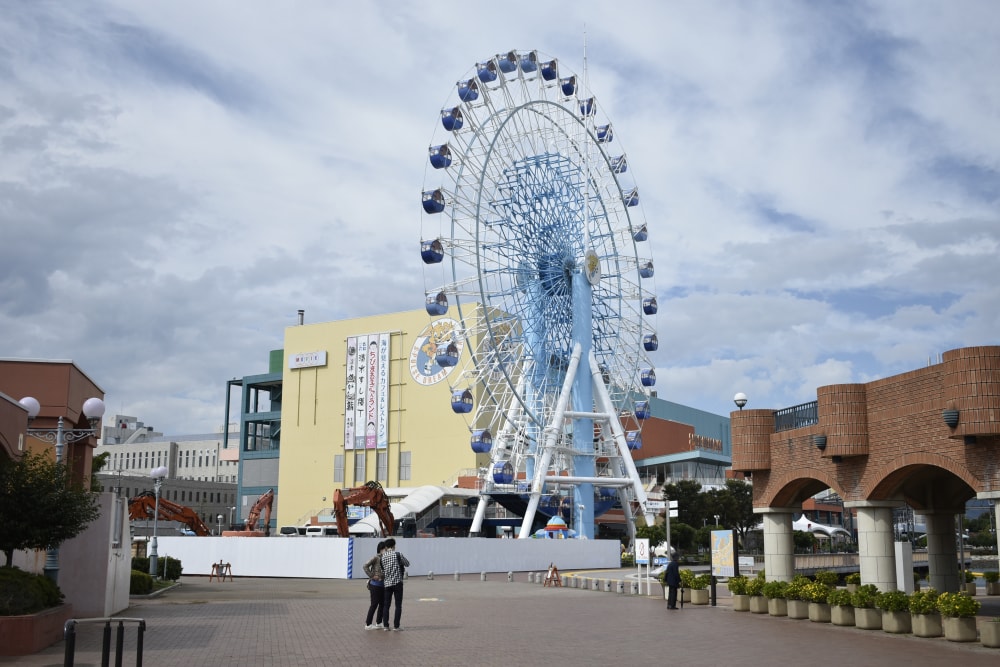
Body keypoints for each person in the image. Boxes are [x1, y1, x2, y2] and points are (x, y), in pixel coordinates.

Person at [379, 537, 410, 631]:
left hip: (387, 583)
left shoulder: (382, 557)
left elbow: (383, 571)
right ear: (393, 546)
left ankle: (386, 626)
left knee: (386, 605)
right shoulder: (398, 554)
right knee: (398, 605)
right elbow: (407, 563)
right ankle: (396, 626)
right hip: (397, 583)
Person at [362, 541, 386, 630]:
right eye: (385, 549)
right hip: (375, 585)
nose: (387, 550)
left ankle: (379, 622)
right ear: (381, 549)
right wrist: (372, 576)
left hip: (383, 585)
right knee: (374, 604)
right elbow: (365, 566)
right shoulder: (376, 558)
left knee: (382, 604)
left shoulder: (385, 558)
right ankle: (368, 624)